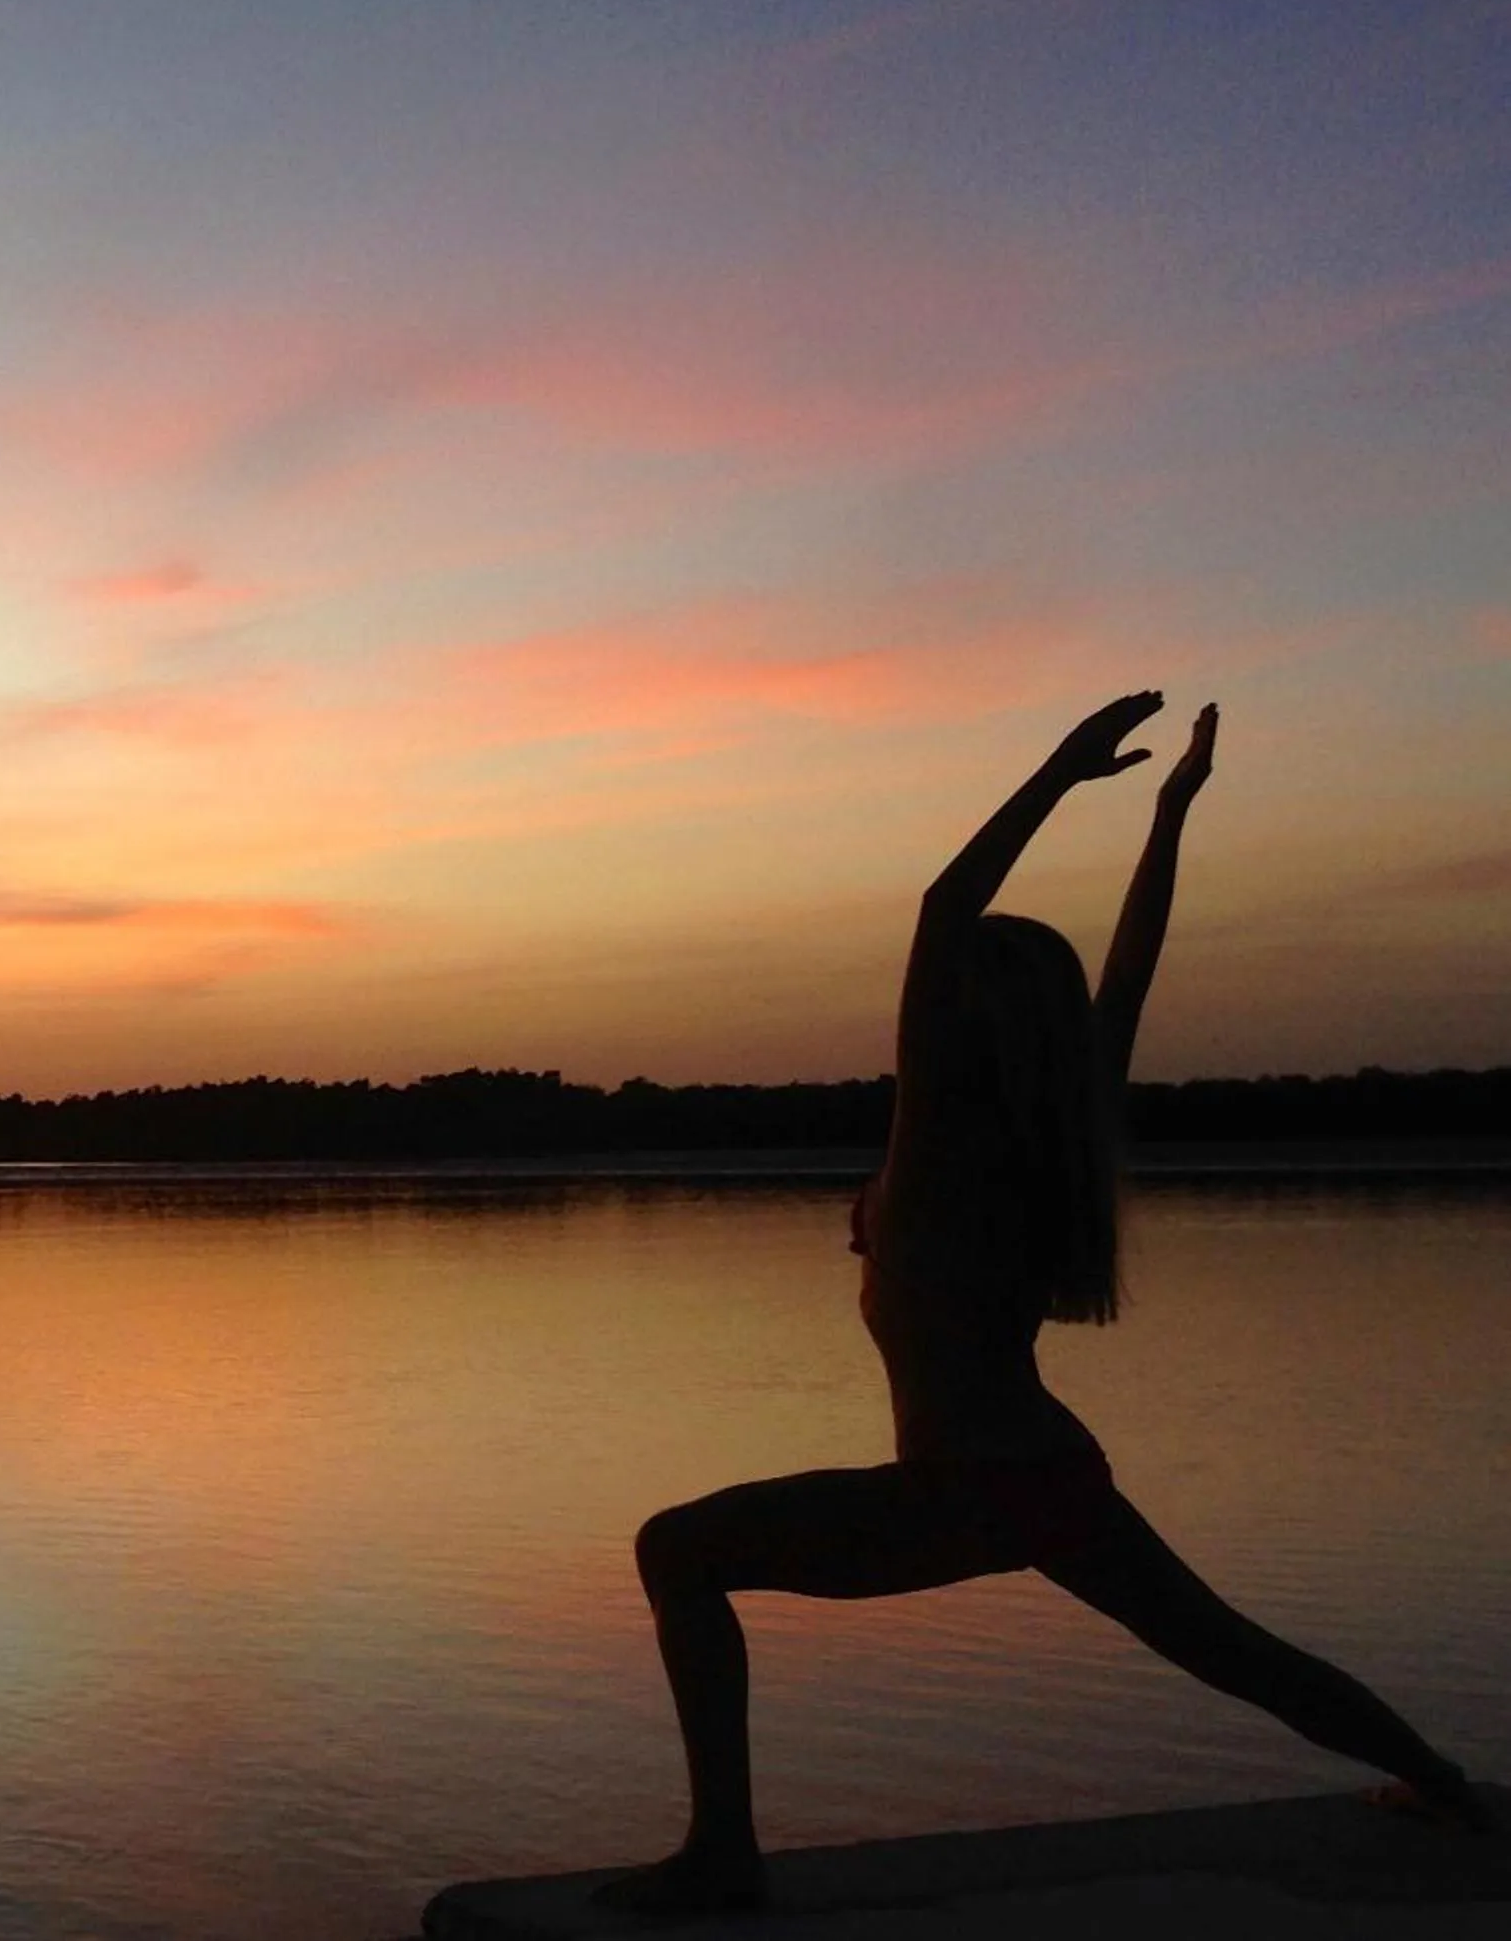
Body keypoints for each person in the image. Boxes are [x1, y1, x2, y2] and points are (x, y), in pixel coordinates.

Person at [594, 692, 1482, 1915]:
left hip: (963, 1485)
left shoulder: (938, 1140)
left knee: (675, 1548)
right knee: (1236, 1655)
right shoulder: (1048, 1133)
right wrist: (1166, 813)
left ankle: (721, 1852)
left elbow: (938, 910)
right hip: (1045, 1471)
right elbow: (1127, 968)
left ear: (964, 1015)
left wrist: (1063, 772)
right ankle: (1446, 1782)